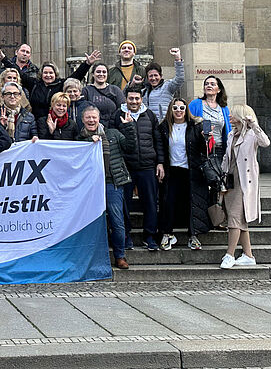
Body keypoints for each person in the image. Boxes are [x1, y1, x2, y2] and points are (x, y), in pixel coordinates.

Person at [76, 105, 136, 269]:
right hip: (90, 186)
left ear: (99, 118)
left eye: (94, 117)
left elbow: (131, 147)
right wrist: (89, 142)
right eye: (88, 117)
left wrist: (129, 126)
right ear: (82, 120)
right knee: (90, 223)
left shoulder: (113, 134)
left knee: (117, 221)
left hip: (112, 183)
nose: (91, 120)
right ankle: (90, 258)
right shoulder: (79, 139)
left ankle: (120, 256)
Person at [112, 87, 165, 251]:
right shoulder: (117, 115)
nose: (134, 102)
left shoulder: (149, 115)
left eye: (137, 98)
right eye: (131, 98)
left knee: (150, 203)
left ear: (141, 99)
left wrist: (160, 162)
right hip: (126, 167)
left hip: (148, 165)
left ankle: (149, 236)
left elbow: (158, 141)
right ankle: (126, 235)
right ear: (126, 99)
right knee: (124, 204)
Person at [219, 104, 270, 269]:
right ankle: (248, 255)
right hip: (231, 180)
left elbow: (266, 142)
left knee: (234, 219)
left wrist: (254, 124)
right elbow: (227, 159)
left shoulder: (252, 135)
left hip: (244, 181)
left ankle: (229, 255)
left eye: (233, 114)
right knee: (239, 219)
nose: (230, 116)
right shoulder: (231, 134)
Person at [156, 98, 211, 251]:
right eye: (175, 108)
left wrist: (206, 138)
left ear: (186, 110)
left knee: (191, 203)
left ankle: (193, 235)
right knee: (168, 203)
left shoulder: (195, 126)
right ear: (171, 110)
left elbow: (204, 150)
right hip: (172, 170)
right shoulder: (164, 127)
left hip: (191, 171)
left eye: (181, 107)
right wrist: (160, 163)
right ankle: (167, 234)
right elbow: (160, 147)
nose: (178, 110)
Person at [24, 51, 100, 120]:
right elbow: (20, 75)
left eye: (51, 73)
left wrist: (87, 64)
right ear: (41, 74)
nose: (48, 75)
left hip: (56, 122)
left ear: (55, 74)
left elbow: (77, 76)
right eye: (45, 73)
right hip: (36, 122)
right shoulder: (34, 84)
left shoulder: (60, 84)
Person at [141, 48, 184, 118]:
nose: (153, 78)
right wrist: (133, 84)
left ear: (161, 76)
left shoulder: (167, 87)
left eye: (156, 75)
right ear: (148, 78)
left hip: (164, 124)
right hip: (150, 125)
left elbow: (180, 79)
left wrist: (178, 59)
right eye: (151, 76)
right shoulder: (144, 91)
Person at [82, 63, 126, 129]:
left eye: (104, 72)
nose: (101, 74)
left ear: (107, 75)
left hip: (113, 128)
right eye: (98, 72)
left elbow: (122, 109)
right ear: (93, 74)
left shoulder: (115, 90)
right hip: (92, 128)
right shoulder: (86, 90)